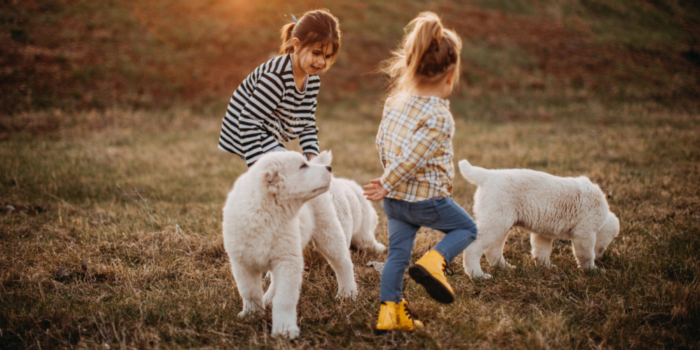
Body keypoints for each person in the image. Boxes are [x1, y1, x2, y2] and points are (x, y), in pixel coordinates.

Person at [363, 12, 478, 333]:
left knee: (396, 257)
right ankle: (433, 262)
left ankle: (390, 314)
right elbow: (414, 157)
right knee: (467, 229)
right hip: (425, 198)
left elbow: (382, 142)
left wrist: (389, 183)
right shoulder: (439, 115)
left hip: (395, 201)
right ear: (451, 75)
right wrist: (389, 181)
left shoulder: (394, 103)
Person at [218, 10, 341, 167]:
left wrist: (313, 157)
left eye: (328, 56)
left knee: (295, 168)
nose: (321, 62)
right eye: (316, 53)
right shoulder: (276, 78)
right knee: (287, 170)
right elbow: (248, 120)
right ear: (297, 45)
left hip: (265, 130)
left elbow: (307, 122)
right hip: (243, 131)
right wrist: (258, 166)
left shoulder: (312, 81)